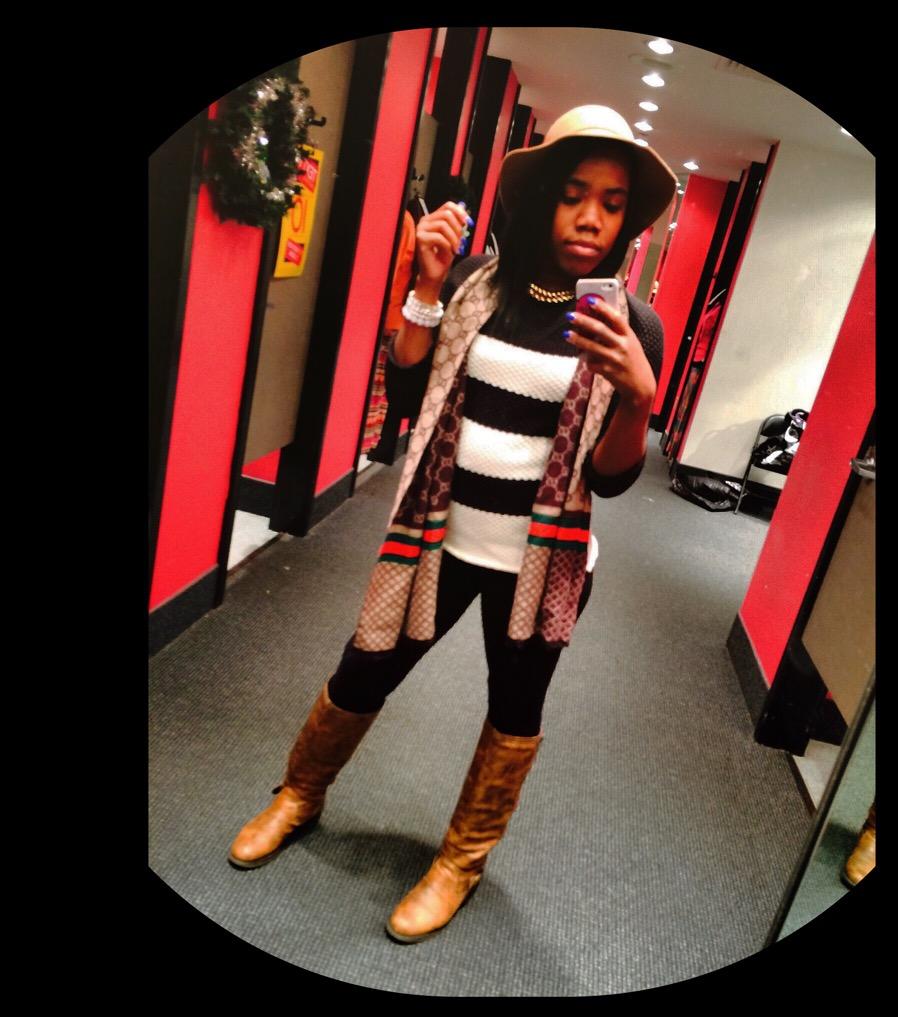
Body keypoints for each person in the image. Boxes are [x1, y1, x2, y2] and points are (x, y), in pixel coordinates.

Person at [228, 105, 678, 943]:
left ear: (628, 221)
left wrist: (639, 399)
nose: (591, 218)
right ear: (543, 196)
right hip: (436, 538)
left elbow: (611, 481)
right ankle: (299, 794)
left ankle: (461, 861)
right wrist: (427, 288)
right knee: (363, 669)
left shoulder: (633, 325)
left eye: (612, 204)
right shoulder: (477, 286)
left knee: (514, 709)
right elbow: (406, 396)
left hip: (541, 565)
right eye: (575, 195)